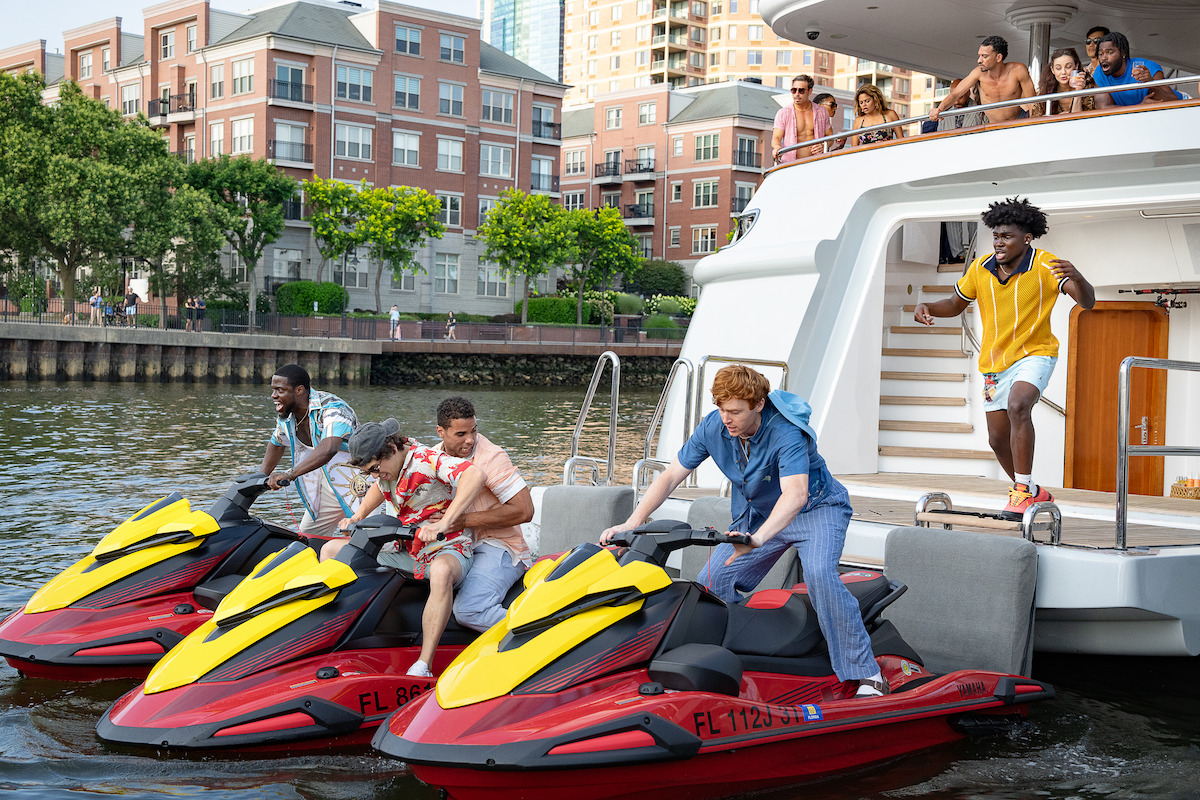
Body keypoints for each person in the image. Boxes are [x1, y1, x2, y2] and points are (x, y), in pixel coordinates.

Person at [600, 365, 888, 698]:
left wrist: (758, 540)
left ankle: (866, 673)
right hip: (761, 515)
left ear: (759, 405)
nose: (727, 418)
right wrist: (633, 522)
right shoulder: (714, 427)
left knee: (820, 574)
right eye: (722, 409)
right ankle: (717, 662)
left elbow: (796, 495)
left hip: (816, 510)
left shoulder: (787, 433)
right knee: (712, 580)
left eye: (735, 411)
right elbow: (669, 476)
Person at [913, 198, 1095, 517]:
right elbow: (956, 304)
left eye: (1007, 236)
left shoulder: (1046, 264)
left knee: (1018, 405)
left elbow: (1088, 303)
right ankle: (1030, 491)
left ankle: (1021, 492)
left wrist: (1078, 277)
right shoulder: (980, 268)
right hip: (995, 363)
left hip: (1035, 354)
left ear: (1027, 238)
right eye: (996, 235)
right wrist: (928, 307)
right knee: (998, 439)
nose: (999, 242)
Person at [328, 418, 486, 678]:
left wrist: (445, 523)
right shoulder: (388, 469)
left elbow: (474, 474)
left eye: (377, 468)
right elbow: (379, 488)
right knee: (332, 551)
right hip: (408, 551)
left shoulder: (427, 458)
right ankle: (335, 639)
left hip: (447, 547)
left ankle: (423, 665)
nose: (376, 476)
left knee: (441, 572)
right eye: (370, 472)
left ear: (392, 447)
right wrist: (358, 517)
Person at [427, 397, 535, 632]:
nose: (470, 440)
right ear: (440, 432)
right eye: (461, 434)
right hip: (456, 547)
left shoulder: (492, 457)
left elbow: (525, 510)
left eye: (474, 431)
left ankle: (544, 635)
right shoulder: (432, 457)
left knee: (469, 610)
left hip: (499, 546)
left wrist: (462, 522)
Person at [259, 364, 363, 536]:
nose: (273, 395)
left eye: (280, 390)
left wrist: (290, 474)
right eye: (273, 389)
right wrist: (258, 480)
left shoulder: (333, 407)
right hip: (325, 486)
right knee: (307, 539)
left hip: (359, 485)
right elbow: (277, 442)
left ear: (299, 390)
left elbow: (328, 448)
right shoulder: (288, 415)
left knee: (365, 540)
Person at [929, 35, 1035, 124]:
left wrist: (1035, 125)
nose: (979, 60)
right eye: (979, 56)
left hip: (1018, 122)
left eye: (984, 56)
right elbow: (956, 93)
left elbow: (1033, 102)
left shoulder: (1018, 70)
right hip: (992, 125)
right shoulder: (978, 73)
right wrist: (939, 109)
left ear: (998, 57)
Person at [1092, 32, 1183, 108]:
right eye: (1100, 54)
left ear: (1123, 53)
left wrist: (1150, 83)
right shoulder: (1099, 73)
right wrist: (1140, 107)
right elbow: (1104, 107)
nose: (1103, 58)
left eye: (1110, 52)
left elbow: (1173, 100)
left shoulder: (1147, 67)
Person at [772, 74, 831, 163]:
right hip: (790, 164)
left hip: (815, 163)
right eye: (794, 90)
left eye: (801, 91)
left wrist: (823, 146)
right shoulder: (783, 113)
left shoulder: (822, 112)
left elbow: (830, 137)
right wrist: (777, 147)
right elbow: (776, 137)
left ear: (810, 91)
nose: (797, 94)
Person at [1032, 48, 1096, 116]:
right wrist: (1056, 118)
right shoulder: (1045, 92)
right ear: (1052, 70)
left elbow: (1078, 119)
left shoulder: (1088, 87)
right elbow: (1035, 120)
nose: (1063, 72)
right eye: (1058, 68)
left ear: (1076, 66)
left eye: (1068, 67)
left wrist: (1078, 91)